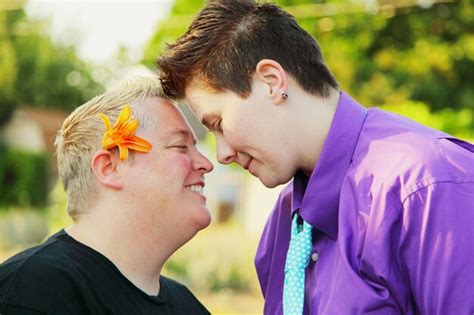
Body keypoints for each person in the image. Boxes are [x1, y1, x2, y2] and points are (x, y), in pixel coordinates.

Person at [156, 1, 474, 314]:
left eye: (219, 124)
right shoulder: (284, 223)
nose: (222, 154)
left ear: (271, 82)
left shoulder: (426, 186)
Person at [0, 77, 213, 314]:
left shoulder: (188, 305)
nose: (206, 163)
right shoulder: (31, 292)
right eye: (180, 146)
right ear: (109, 167)